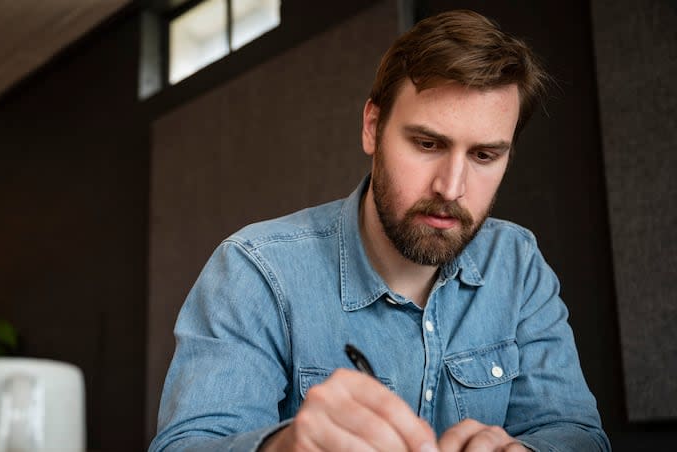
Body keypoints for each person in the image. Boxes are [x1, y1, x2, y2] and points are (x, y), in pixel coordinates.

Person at [150, 9, 610, 452]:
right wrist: (283, 447)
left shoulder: (518, 262)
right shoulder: (254, 271)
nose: (451, 188)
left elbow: (575, 433)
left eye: (484, 156)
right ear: (373, 127)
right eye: (428, 144)